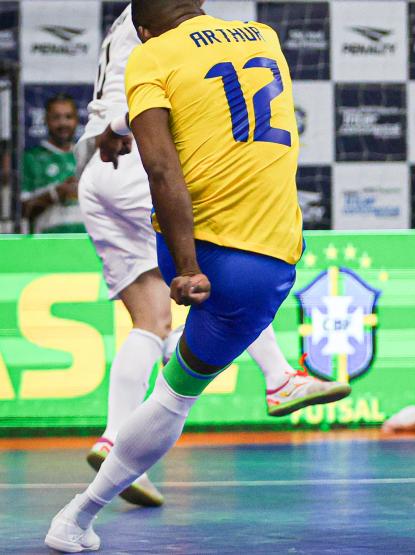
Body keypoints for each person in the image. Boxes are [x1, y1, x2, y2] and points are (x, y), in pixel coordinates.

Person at [45, 2, 350, 551]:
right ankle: (278, 378)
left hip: (105, 169)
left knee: (150, 322)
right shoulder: (263, 36)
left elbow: (158, 118)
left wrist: (113, 128)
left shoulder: (145, 47)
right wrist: (188, 268)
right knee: (177, 390)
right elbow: (165, 167)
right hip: (239, 244)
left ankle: (117, 430)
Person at [21, 94, 84, 233]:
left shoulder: (87, 155)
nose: (63, 123)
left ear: (77, 120)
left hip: (88, 242)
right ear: (46, 120)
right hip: (47, 244)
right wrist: (56, 193)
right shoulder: (31, 158)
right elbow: (23, 209)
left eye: (68, 117)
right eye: (56, 117)